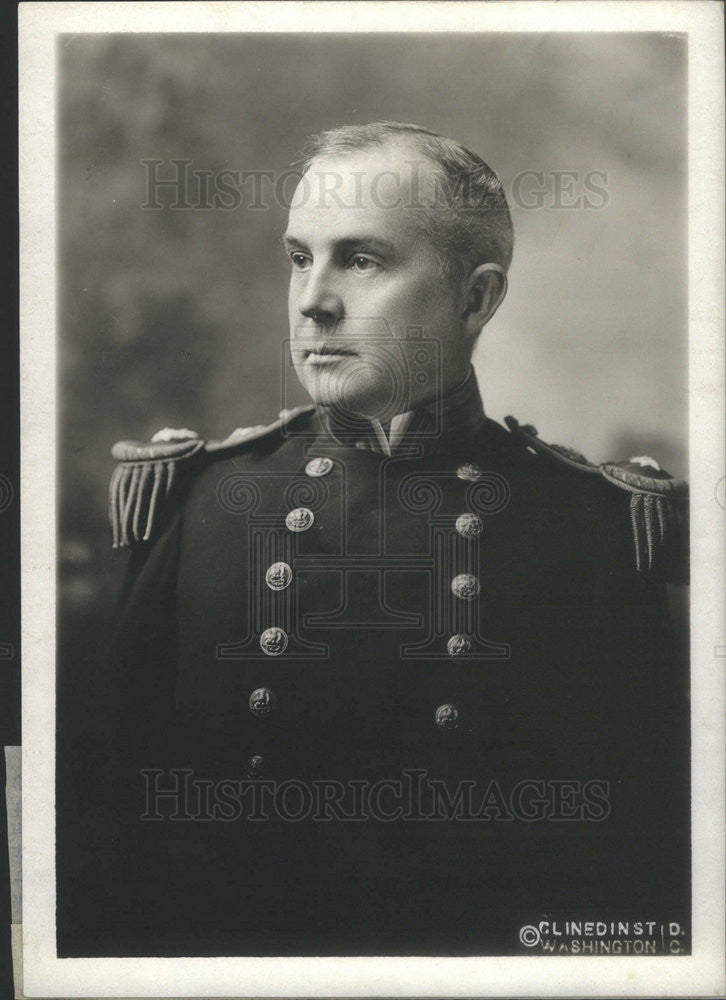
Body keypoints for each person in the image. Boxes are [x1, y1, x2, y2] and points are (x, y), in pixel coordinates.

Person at [58, 122, 689, 957]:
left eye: (362, 260)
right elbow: (110, 850)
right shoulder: (198, 504)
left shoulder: (595, 533)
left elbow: (645, 870)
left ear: (477, 298)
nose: (313, 299)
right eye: (298, 258)